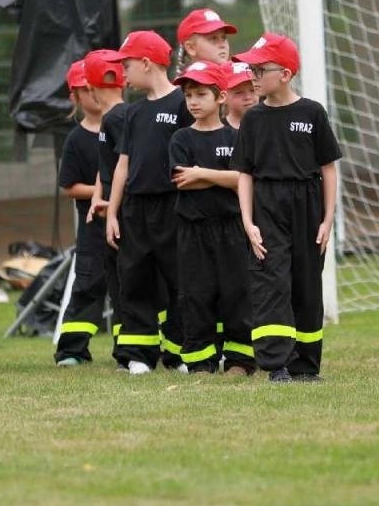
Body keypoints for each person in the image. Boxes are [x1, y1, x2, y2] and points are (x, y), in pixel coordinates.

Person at [235, 33, 341, 383]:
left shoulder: (312, 113)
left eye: (259, 69)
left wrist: (327, 219)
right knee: (271, 282)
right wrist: (248, 222)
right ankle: (276, 363)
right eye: (250, 68)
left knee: (306, 285)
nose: (252, 76)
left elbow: (328, 168)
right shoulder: (253, 119)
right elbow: (245, 174)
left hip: (307, 207)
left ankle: (305, 366)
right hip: (266, 206)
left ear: (285, 73)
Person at [102, 30, 192, 374]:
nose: (122, 74)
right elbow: (123, 162)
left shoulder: (183, 104)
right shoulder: (133, 113)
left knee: (179, 280)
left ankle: (180, 352)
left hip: (173, 206)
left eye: (126, 65)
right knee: (134, 278)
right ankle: (138, 353)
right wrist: (113, 211)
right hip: (135, 210)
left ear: (146, 63)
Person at [169, 61, 253, 375]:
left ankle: (240, 360)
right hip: (193, 231)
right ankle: (200, 361)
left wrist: (202, 173)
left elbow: (244, 179)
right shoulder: (180, 139)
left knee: (236, 293)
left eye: (201, 93)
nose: (193, 101)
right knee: (195, 294)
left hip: (231, 229)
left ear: (220, 97)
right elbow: (181, 179)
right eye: (188, 94)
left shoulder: (235, 138)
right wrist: (226, 176)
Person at [53, 59, 113, 366]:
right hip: (93, 228)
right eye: (84, 90)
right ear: (74, 97)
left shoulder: (123, 127)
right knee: (88, 285)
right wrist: (104, 193)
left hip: (126, 225)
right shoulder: (76, 139)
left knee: (130, 286)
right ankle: (72, 349)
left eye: (95, 88)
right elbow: (69, 186)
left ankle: (134, 348)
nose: (92, 95)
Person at [84, 49, 130, 363]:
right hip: (122, 208)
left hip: (124, 215)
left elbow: (121, 169)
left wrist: (111, 208)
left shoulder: (115, 118)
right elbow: (108, 170)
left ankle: (130, 349)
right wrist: (98, 197)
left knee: (122, 282)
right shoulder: (124, 115)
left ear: (90, 87)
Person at [222, 61, 259, 129]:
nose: (248, 97)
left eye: (253, 90)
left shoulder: (269, 125)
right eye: (239, 92)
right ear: (223, 97)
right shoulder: (218, 132)